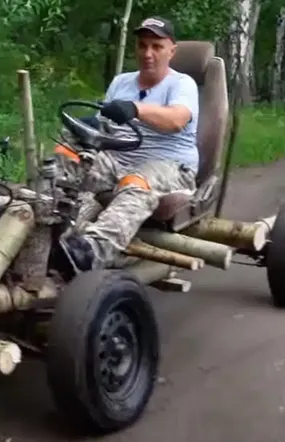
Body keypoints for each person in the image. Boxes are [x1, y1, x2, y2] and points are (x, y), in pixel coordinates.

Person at [62, 15, 200, 271]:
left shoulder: (182, 84)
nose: (148, 53)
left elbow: (177, 119)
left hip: (169, 166)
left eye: (157, 46)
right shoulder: (121, 82)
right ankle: (34, 222)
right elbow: (105, 125)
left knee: (135, 182)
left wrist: (136, 109)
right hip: (118, 159)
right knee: (67, 155)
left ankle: (91, 250)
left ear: (172, 51)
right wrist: (90, 125)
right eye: (142, 45)